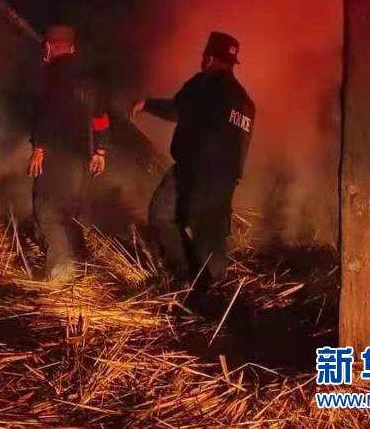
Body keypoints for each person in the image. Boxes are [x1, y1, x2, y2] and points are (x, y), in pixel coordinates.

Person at [131, 31, 255, 284]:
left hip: (194, 171)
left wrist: (146, 105)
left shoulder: (204, 84)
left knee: (163, 215)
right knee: (212, 233)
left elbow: (177, 109)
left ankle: (187, 276)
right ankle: (213, 286)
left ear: (209, 59)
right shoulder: (245, 103)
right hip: (226, 180)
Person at [29, 24, 109, 283]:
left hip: (56, 155)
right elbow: (100, 116)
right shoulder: (89, 78)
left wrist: (39, 148)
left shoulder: (47, 75)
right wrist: (100, 151)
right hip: (83, 155)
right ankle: (82, 264)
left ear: (48, 47)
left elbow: (44, 115)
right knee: (71, 210)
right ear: (73, 48)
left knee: (47, 210)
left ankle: (60, 270)